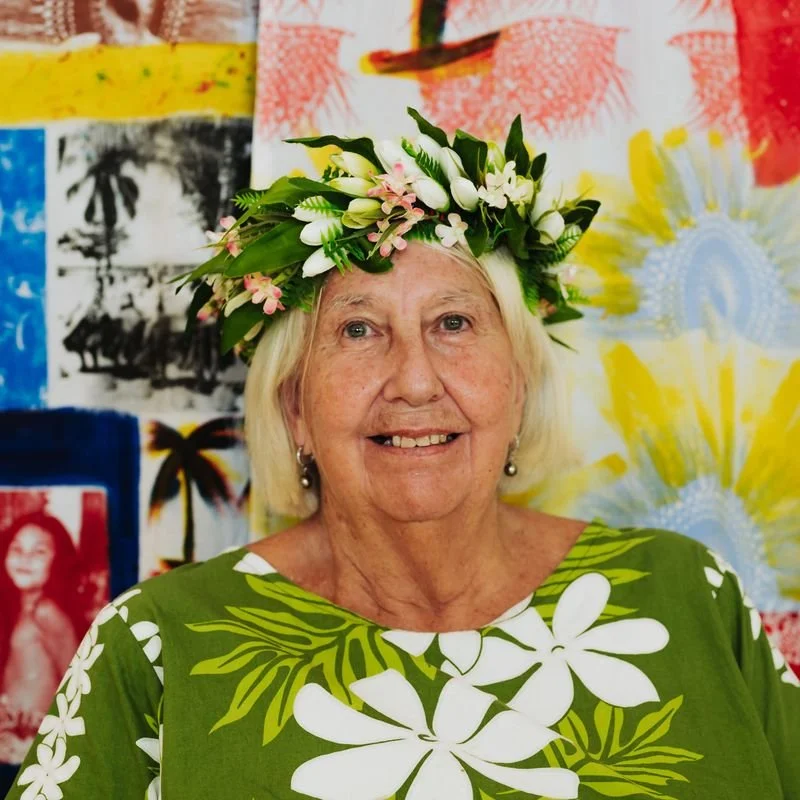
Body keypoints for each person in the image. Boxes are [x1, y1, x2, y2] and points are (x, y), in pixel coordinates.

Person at [6, 110, 799, 800]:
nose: (415, 380)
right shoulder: (156, 649)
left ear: (518, 384)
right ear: (295, 409)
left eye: (454, 323)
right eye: (358, 329)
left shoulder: (691, 601)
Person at [0, 513, 81, 764]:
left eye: (39, 552)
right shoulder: (16, 612)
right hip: (10, 736)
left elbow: (79, 686)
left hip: (36, 745)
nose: (25, 558)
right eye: (17, 548)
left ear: (57, 562)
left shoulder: (48, 614)